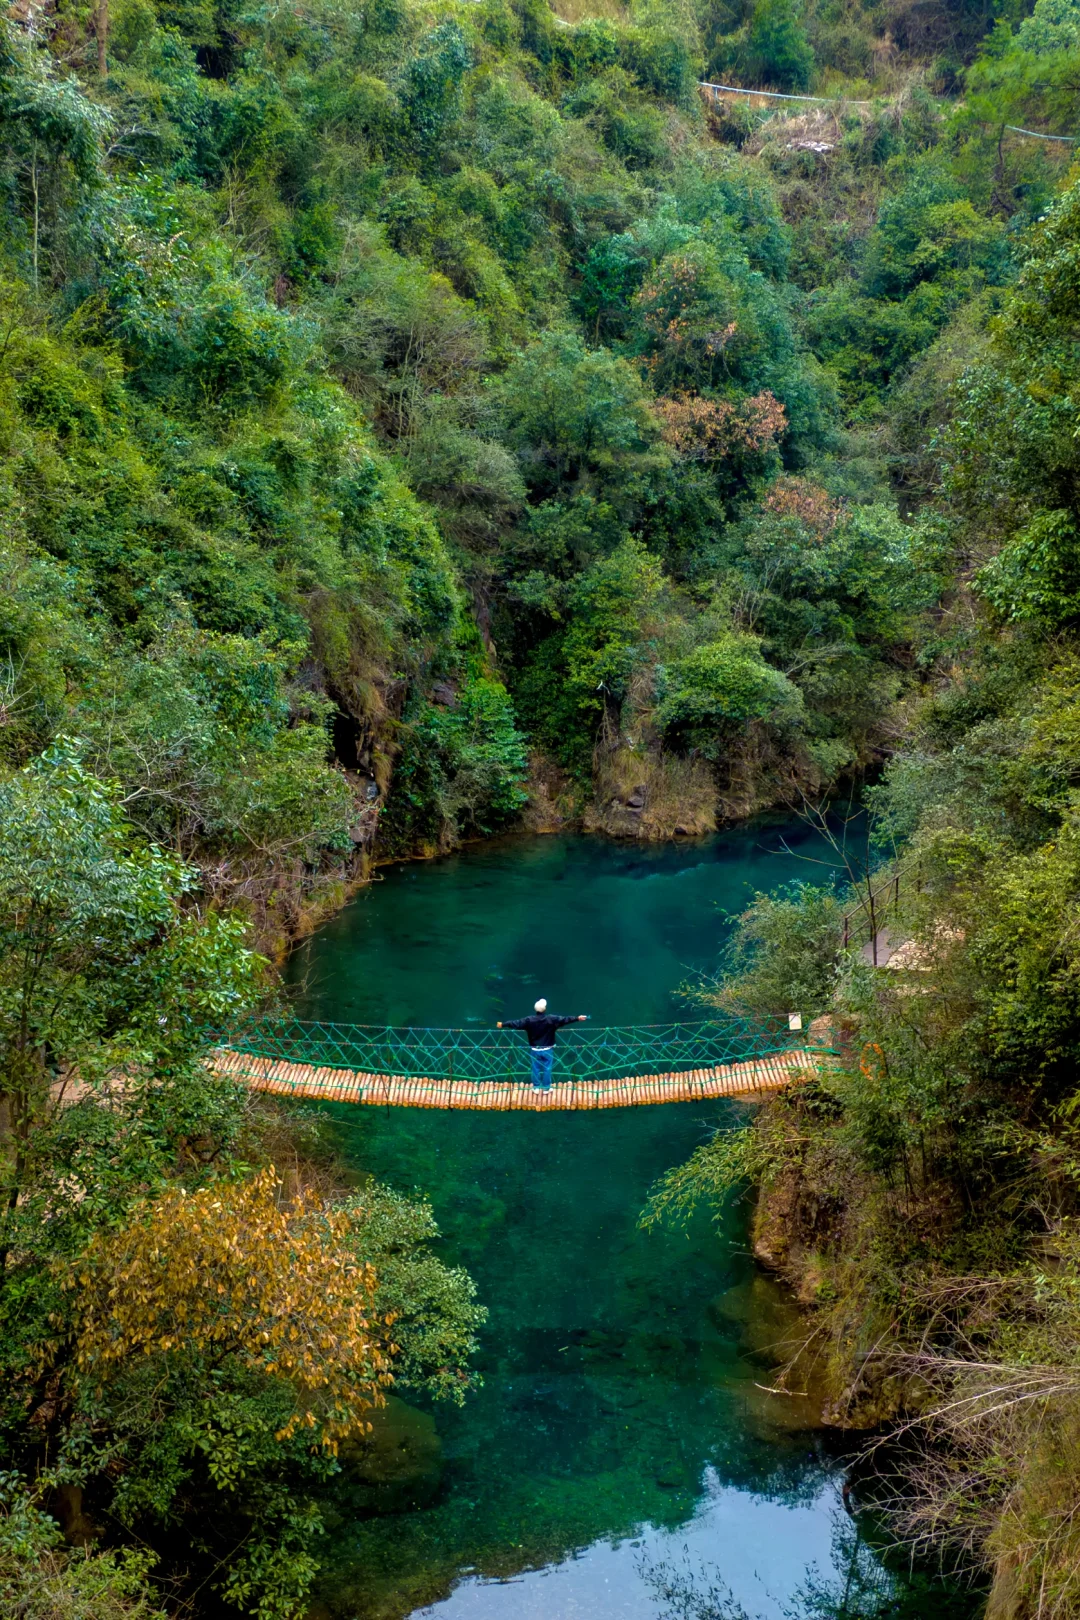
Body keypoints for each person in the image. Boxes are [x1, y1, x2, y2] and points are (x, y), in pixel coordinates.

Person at [497, 999, 589, 1091]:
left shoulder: (529, 1020)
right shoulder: (551, 1019)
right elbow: (564, 1020)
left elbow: (516, 1023)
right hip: (547, 1049)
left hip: (534, 1050)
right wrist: (577, 1018)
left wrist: (503, 1024)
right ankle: (546, 1088)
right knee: (547, 1069)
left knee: (535, 1069)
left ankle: (536, 1087)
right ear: (545, 1008)